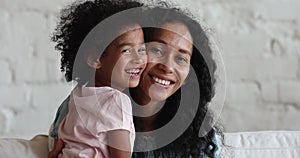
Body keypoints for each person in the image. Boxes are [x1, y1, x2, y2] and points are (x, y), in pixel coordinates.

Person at [49, 1, 223, 158]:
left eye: (181, 59)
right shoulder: (84, 105)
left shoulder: (199, 134)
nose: (167, 67)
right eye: (157, 50)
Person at [49, 0, 147, 157]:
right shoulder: (116, 100)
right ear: (95, 59)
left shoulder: (79, 94)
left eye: (142, 49)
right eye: (127, 50)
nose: (139, 59)